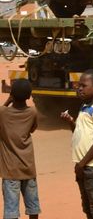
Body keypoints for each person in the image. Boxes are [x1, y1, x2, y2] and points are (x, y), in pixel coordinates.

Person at [61, 69, 93, 219]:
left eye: (83, 85)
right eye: (78, 85)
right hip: (83, 166)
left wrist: (82, 164)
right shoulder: (84, 107)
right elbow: (79, 132)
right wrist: (71, 122)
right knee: (88, 207)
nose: (79, 88)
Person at [0, 79, 41, 219]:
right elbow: (32, 129)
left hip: (10, 171)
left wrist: (8, 100)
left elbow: (2, 109)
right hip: (28, 168)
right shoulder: (33, 112)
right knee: (33, 207)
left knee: (11, 210)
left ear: (11, 94)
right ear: (29, 96)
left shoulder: (3, 113)